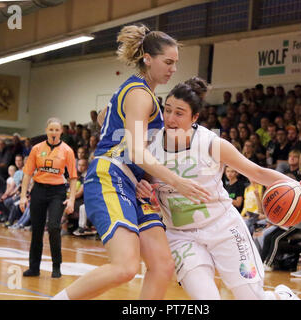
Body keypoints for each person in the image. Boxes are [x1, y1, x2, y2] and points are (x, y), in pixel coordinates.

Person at [52, 24, 210, 301]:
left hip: (134, 181)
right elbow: (135, 152)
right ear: (148, 58)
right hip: (111, 175)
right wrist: (177, 181)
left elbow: (104, 118)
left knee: (162, 266)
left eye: (176, 63)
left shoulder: (138, 91)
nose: (173, 69)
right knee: (125, 267)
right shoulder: (140, 94)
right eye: (168, 62)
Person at [137, 78, 301, 300]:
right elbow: (145, 187)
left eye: (179, 113)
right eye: (168, 110)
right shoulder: (149, 146)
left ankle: (281, 297)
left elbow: (257, 173)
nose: (170, 118)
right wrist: (142, 189)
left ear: (195, 118)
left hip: (223, 227)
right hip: (181, 236)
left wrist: (296, 187)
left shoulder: (212, 143)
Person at [19, 117, 77, 278]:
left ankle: (56, 266)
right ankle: (34, 268)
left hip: (57, 192)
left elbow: (73, 177)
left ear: (61, 132)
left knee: (53, 227)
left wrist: (71, 199)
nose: (53, 132)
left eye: (57, 130)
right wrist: (23, 196)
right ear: (46, 131)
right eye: (51, 129)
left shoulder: (67, 150)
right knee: (36, 229)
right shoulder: (36, 149)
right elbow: (27, 174)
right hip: (38, 190)